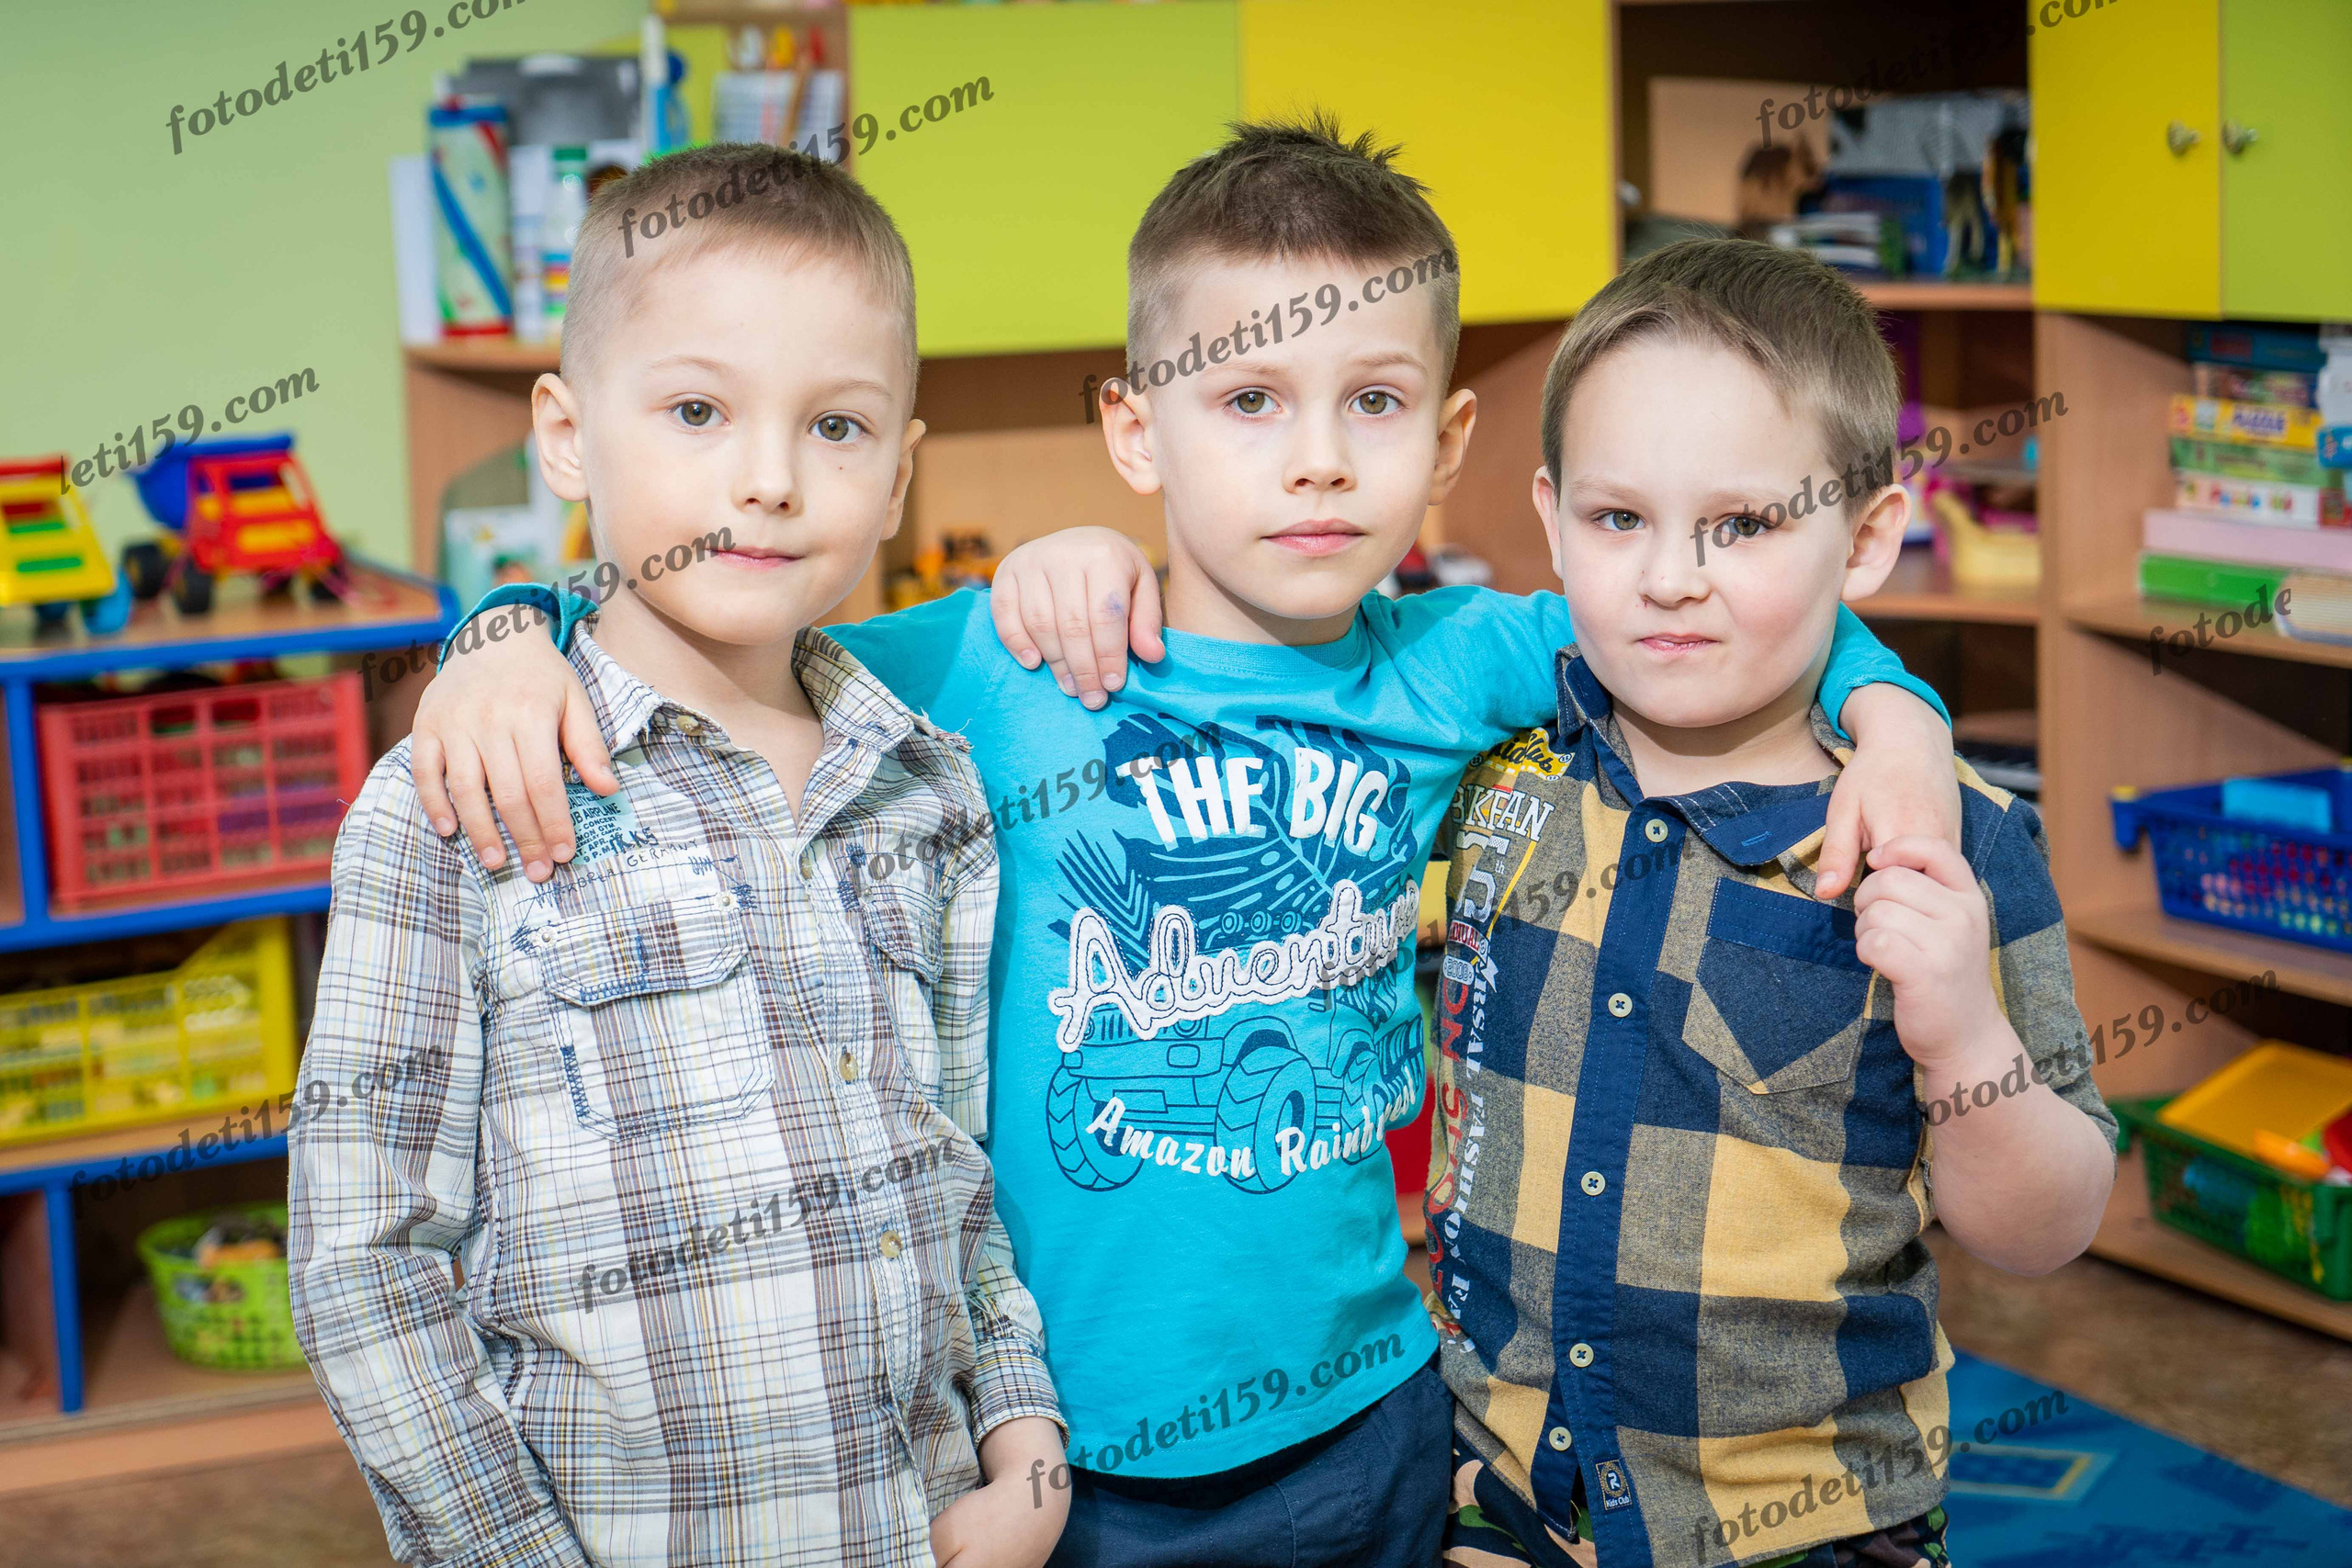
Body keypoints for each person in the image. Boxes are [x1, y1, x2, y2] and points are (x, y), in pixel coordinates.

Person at [405, 118, 1962, 1567]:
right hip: (1059, 1448)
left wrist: (1899, 718)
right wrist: (506, 634)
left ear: (1450, 430)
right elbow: (705, 634)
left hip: (1377, 1410)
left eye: (1375, 401)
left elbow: (1708, 625)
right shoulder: (1004, 655)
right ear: (1134, 431)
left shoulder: (1451, 661)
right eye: (1247, 402)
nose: (1319, 460)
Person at [288, 143, 1066, 1568]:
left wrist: (1021, 1439)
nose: (766, 482)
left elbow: (963, 1167)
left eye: (836, 428)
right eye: (699, 410)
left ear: (900, 471)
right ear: (568, 435)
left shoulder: (931, 794)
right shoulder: (449, 802)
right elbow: (365, 1271)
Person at [1423, 237, 2117, 1568]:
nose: (1670, 576)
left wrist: (1967, 1039)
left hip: (1812, 1531)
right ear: (1555, 516)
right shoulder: (1494, 775)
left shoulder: (1950, 834)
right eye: (1620, 521)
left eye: (1741, 525)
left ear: (1866, 539)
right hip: (1502, 1504)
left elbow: (2049, 1228)